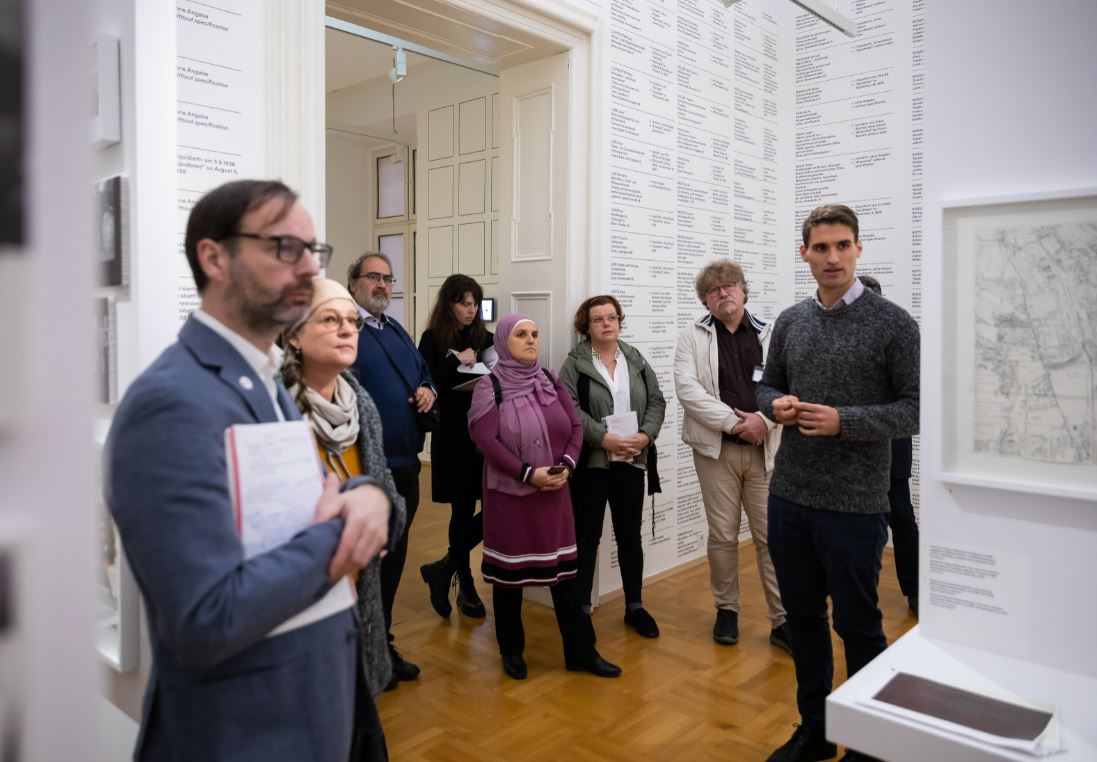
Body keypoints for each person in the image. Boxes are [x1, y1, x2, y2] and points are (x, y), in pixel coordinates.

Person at [106, 180, 403, 762]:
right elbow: (203, 618)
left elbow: (294, 511)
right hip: (247, 729)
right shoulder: (171, 402)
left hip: (320, 698)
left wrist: (370, 495)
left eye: (312, 252)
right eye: (283, 248)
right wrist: (344, 532)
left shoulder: (264, 378)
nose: (305, 268)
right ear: (214, 257)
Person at [757, 205, 919, 762]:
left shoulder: (894, 323)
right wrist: (772, 404)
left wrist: (844, 421)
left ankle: (870, 743)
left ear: (858, 249)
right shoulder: (790, 320)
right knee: (802, 619)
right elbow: (767, 384)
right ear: (804, 252)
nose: (832, 257)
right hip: (790, 498)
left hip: (855, 504)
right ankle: (816, 731)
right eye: (821, 247)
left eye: (842, 246)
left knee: (859, 625)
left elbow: (914, 410)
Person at [280, 278, 408, 758]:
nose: (347, 330)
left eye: (351, 321)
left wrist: (378, 514)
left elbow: (392, 499)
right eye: (330, 319)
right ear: (293, 333)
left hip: (359, 611)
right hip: (300, 615)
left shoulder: (362, 405)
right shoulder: (273, 412)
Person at [467, 314, 622, 681]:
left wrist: (566, 465)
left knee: (566, 577)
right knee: (510, 580)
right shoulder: (489, 387)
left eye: (535, 334)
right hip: (511, 497)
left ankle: (581, 652)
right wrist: (527, 473)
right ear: (504, 341)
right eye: (521, 335)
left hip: (553, 493)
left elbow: (573, 427)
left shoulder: (550, 379)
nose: (531, 340)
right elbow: (487, 441)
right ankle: (511, 650)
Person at [673, 259, 791, 655]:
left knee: (771, 538)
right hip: (717, 452)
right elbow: (688, 391)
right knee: (723, 536)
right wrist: (736, 424)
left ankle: (782, 619)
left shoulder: (770, 333)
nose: (723, 293)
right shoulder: (692, 336)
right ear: (705, 299)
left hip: (765, 452)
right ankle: (727, 610)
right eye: (714, 289)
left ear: (744, 290)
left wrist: (763, 420)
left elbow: (787, 385)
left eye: (730, 286)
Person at [347, 251, 436, 688]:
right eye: (373, 278)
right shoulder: (348, 329)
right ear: (354, 283)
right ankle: (362, 653)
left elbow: (425, 373)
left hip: (406, 464)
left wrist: (427, 391)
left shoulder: (395, 328)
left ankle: (381, 641)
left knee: (394, 558)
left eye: (387, 278)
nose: (382, 285)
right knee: (368, 563)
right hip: (366, 468)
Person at [559, 295, 666, 638]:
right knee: (588, 537)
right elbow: (568, 408)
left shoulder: (634, 358)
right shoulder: (574, 363)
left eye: (611, 318)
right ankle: (582, 610)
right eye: (598, 319)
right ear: (586, 326)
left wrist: (646, 436)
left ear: (619, 321)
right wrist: (601, 437)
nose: (606, 324)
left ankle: (635, 606)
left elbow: (656, 400)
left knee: (629, 536)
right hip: (594, 463)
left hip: (631, 460)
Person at [417, 274, 494, 619]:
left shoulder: (485, 337)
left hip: (483, 432)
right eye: (464, 303)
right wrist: (455, 361)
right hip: (451, 434)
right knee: (460, 509)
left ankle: (444, 567)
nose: (471, 309)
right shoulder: (432, 338)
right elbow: (426, 380)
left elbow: (499, 373)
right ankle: (465, 584)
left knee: (492, 505)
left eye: (475, 303)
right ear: (449, 304)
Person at [855, 275, 920, 617]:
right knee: (853, 530)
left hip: (892, 456)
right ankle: (854, 591)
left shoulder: (899, 337)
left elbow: (911, 402)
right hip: (852, 456)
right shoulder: (843, 341)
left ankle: (916, 590)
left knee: (903, 523)